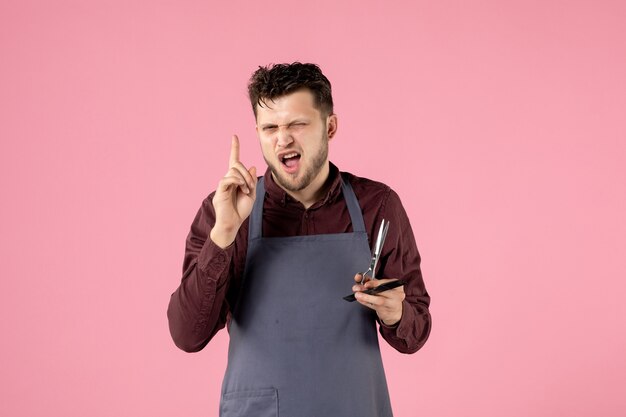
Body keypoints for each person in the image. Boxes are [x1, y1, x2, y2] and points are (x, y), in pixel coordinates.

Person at [167, 62, 431, 417]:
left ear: (330, 126)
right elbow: (187, 335)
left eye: (297, 124)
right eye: (270, 127)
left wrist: (396, 313)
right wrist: (224, 235)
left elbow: (415, 332)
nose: (283, 139)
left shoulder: (377, 205)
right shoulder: (226, 212)